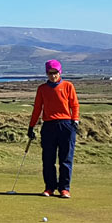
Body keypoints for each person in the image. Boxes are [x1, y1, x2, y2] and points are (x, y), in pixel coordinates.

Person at [28, 59, 80, 198]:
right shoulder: (42, 89)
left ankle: (64, 189)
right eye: (50, 73)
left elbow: (74, 105)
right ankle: (49, 187)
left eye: (55, 73)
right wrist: (31, 126)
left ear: (60, 72)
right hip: (49, 126)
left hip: (66, 124)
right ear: (47, 73)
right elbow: (37, 108)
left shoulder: (68, 86)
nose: (53, 76)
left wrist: (75, 119)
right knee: (48, 159)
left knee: (65, 159)